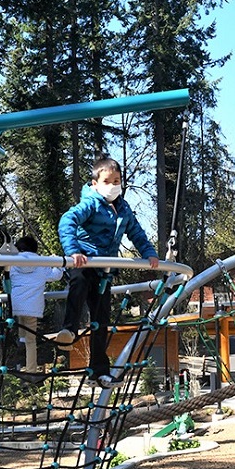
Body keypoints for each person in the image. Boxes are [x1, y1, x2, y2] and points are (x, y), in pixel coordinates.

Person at [57, 157, 159, 387]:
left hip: (104, 271)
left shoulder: (123, 209)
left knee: (101, 320)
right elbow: (67, 220)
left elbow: (137, 233)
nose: (113, 185)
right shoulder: (91, 203)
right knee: (79, 284)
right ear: (95, 183)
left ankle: (98, 372)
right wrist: (73, 250)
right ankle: (69, 329)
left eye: (117, 180)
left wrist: (149, 252)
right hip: (85, 261)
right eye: (107, 181)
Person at [8, 235, 64, 372]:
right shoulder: (41, 263)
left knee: (21, 326)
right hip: (32, 307)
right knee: (31, 341)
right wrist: (57, 262)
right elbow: (56, 275)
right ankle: (31, 370)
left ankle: (20, 343)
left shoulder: (13, 263)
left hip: (17, 305)